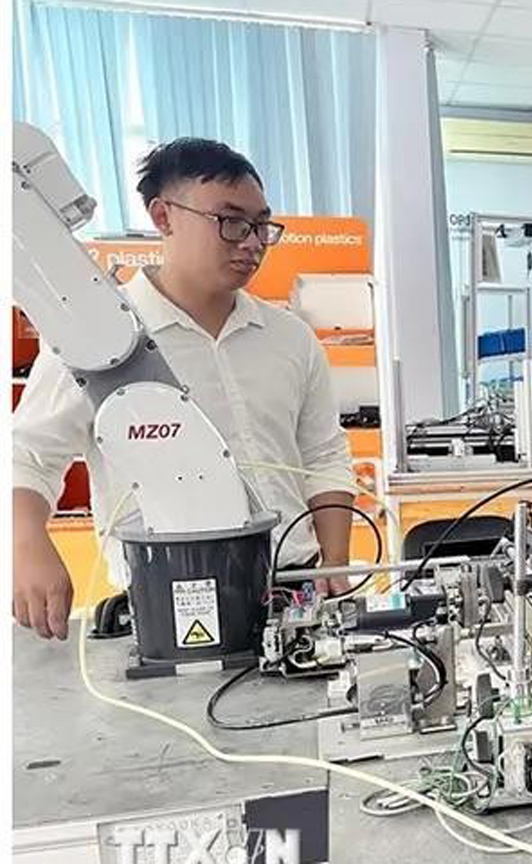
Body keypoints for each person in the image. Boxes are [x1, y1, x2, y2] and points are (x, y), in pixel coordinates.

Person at [13, 138, 356, 640]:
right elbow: (29, 456)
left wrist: (335, 565)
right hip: (167, 601)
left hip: (294, 595)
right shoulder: (100, 337)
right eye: (231, 221)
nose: (253, 242)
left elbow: (323, 455)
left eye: (262, 225)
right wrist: (26, 541)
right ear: (163, 215)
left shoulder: (290, 339)